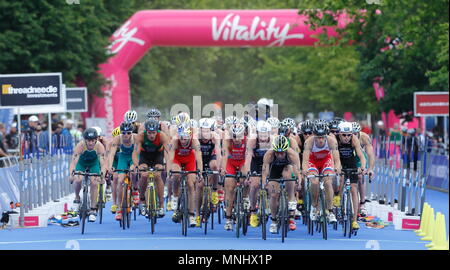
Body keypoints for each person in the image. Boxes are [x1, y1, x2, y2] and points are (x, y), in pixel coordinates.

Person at [302, 121, 341, 224]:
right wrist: (304, 170)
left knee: (328, 182)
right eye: (318, 137)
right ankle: (314, 206)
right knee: (314, 182)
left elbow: (337, 160)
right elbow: (305, 161)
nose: (320, 140)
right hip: (312, 162)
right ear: (314, 135)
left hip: (326, 161)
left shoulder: (332, 141)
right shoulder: (309, 142)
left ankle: (330, 210)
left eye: (322, 137)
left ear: (326, 135)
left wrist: (337, 168)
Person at [261, 135, 302, 233]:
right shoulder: (269, 154)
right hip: (274, 170)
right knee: (273, 195)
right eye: (277, 153)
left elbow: (297, 171)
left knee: (289, 173)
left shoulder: (292, 154)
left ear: (286, 150)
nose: (279, 155)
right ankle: (274, 221)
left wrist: (299, 182)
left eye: (282, 153)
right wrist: (264, 183)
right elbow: (265, 171)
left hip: (287, 167)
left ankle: (291, 199)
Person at [132, 118, 171, 218]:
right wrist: (136, 166)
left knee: (158, 175)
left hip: (157, 156)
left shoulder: (162, 136)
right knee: (144, 175)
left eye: (153, 133)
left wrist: (168, 166)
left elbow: (168, 152)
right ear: (146, 131)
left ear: (157, 131)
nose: (151, 135)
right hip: (145, 156)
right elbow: (136, 153)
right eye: (149, 133)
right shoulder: (140, 136)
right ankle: (142, 200)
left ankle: (161, 205)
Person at [168, 123, 203, 227]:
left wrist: (199, 172)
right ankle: (175, 195)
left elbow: (199, 159)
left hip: (189, 160)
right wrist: (170, 171)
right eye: (182, 138)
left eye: (186, 139)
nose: (183, 141)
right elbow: (170, 158)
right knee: (176, 174)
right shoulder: (175, 141)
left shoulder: (194, 141)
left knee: (191, 185)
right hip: (177, 159)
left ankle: (191, 215)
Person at [69, 128, 107, 222]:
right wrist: (71, 173)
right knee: (78, 179)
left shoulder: (99, 146)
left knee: (94, 183)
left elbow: (103, 163)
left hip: (93, 164)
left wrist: (102, 174)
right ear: (85, 140)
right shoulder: (80, 145)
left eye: (92, 141)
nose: (90, 143)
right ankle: (77, 198)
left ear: (96, 140)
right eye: (88, 141)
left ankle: (93, 209)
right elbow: (74, 160)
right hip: (81, 164)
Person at [336, 122, 366, 230]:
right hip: (338, 161)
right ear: (339, 134)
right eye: (344, 135)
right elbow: (333, 156)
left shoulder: (354, 139)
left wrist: (362, 167)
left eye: (349, 135)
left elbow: (361, 155)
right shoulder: (335, 140)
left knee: (354, 189)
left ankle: (354, 220)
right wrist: (337, 167)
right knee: (340, 179)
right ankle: (338, 199)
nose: (346, 138)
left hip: (350, 162)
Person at [221, 123, 248, 231]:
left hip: (242, 162)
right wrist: (223, 169)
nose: (236, 139)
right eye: (234, 136)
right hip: (231, 163)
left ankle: (244, 198)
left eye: (239, 136)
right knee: (229, 187)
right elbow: (224, 155)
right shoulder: (227, 141)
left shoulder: (247, 141)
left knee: (246, 178)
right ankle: (228, 219)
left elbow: (249, 156)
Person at [245, 121, 272, 228]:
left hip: (269, 162)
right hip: (256, 162)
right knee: (254, 185)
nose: (263, 137)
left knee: (270, 184)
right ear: (257, 133)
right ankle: (252, 210)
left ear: (269, 133)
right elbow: (248, 158)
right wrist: (248, 173)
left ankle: (270, 203)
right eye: (261, 134)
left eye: (265, 135)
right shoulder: (252, 141)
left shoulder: (273, 140)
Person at [108, 122, 137, 221]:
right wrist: (110, 166)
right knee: (120, 181)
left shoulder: (136, 138)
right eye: (123, 133)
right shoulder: (118, 139)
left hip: (134, 157)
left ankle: (135, 191)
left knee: (133, 172)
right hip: (123, 158)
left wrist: (137, 165)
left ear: (131, 133)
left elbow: (140, 152)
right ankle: (119, 209)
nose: (126, 135)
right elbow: (111, 154)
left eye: (128, 133)